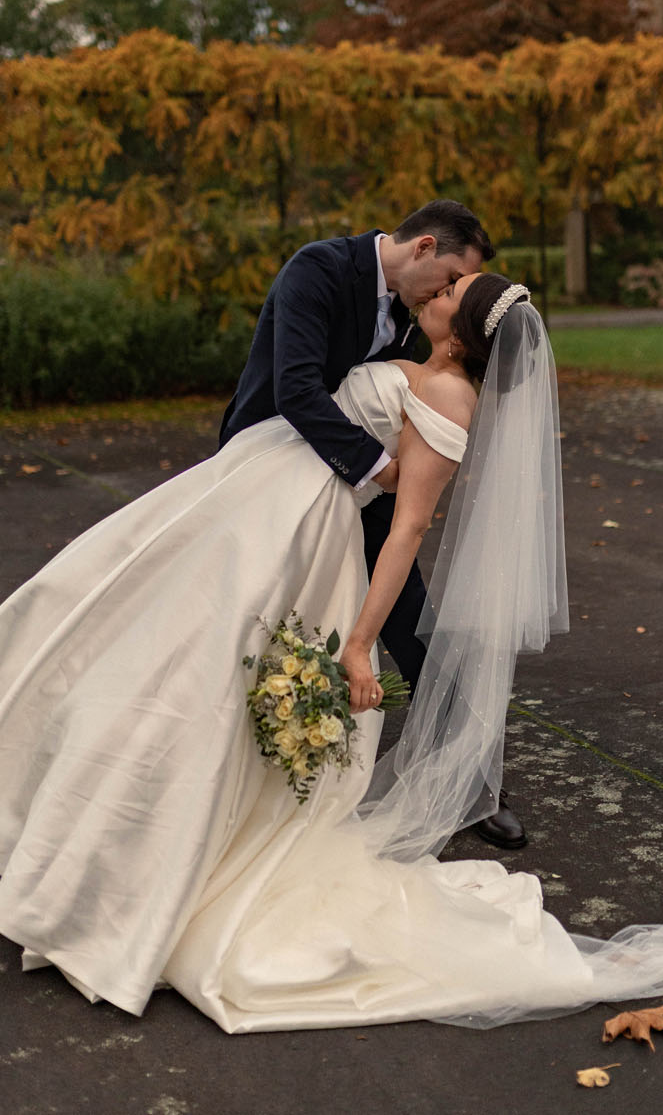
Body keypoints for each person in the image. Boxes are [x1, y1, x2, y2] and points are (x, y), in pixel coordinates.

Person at [0, 270, 663, 1031]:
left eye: (452, 293)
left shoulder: (450, 400)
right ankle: (67, 836)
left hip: (294, 534)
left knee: (191, 682)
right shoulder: (419, 363)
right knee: (106, 618)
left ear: (463, 332)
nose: (438, 292)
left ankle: (119, 871)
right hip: (248, 495)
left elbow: (407, 528)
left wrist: (359, 644)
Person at [220, 200, 526, 850]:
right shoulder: (319, 271)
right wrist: (381, 468)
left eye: (453, 289)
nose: (445, 293)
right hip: (282, 468)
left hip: (362, 477)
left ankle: (467, 779)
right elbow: (296, 389)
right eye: (446, 279)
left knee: (408, 609)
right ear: (420, 248)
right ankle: (236, 748)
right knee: (254, 608)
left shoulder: (420, 315)